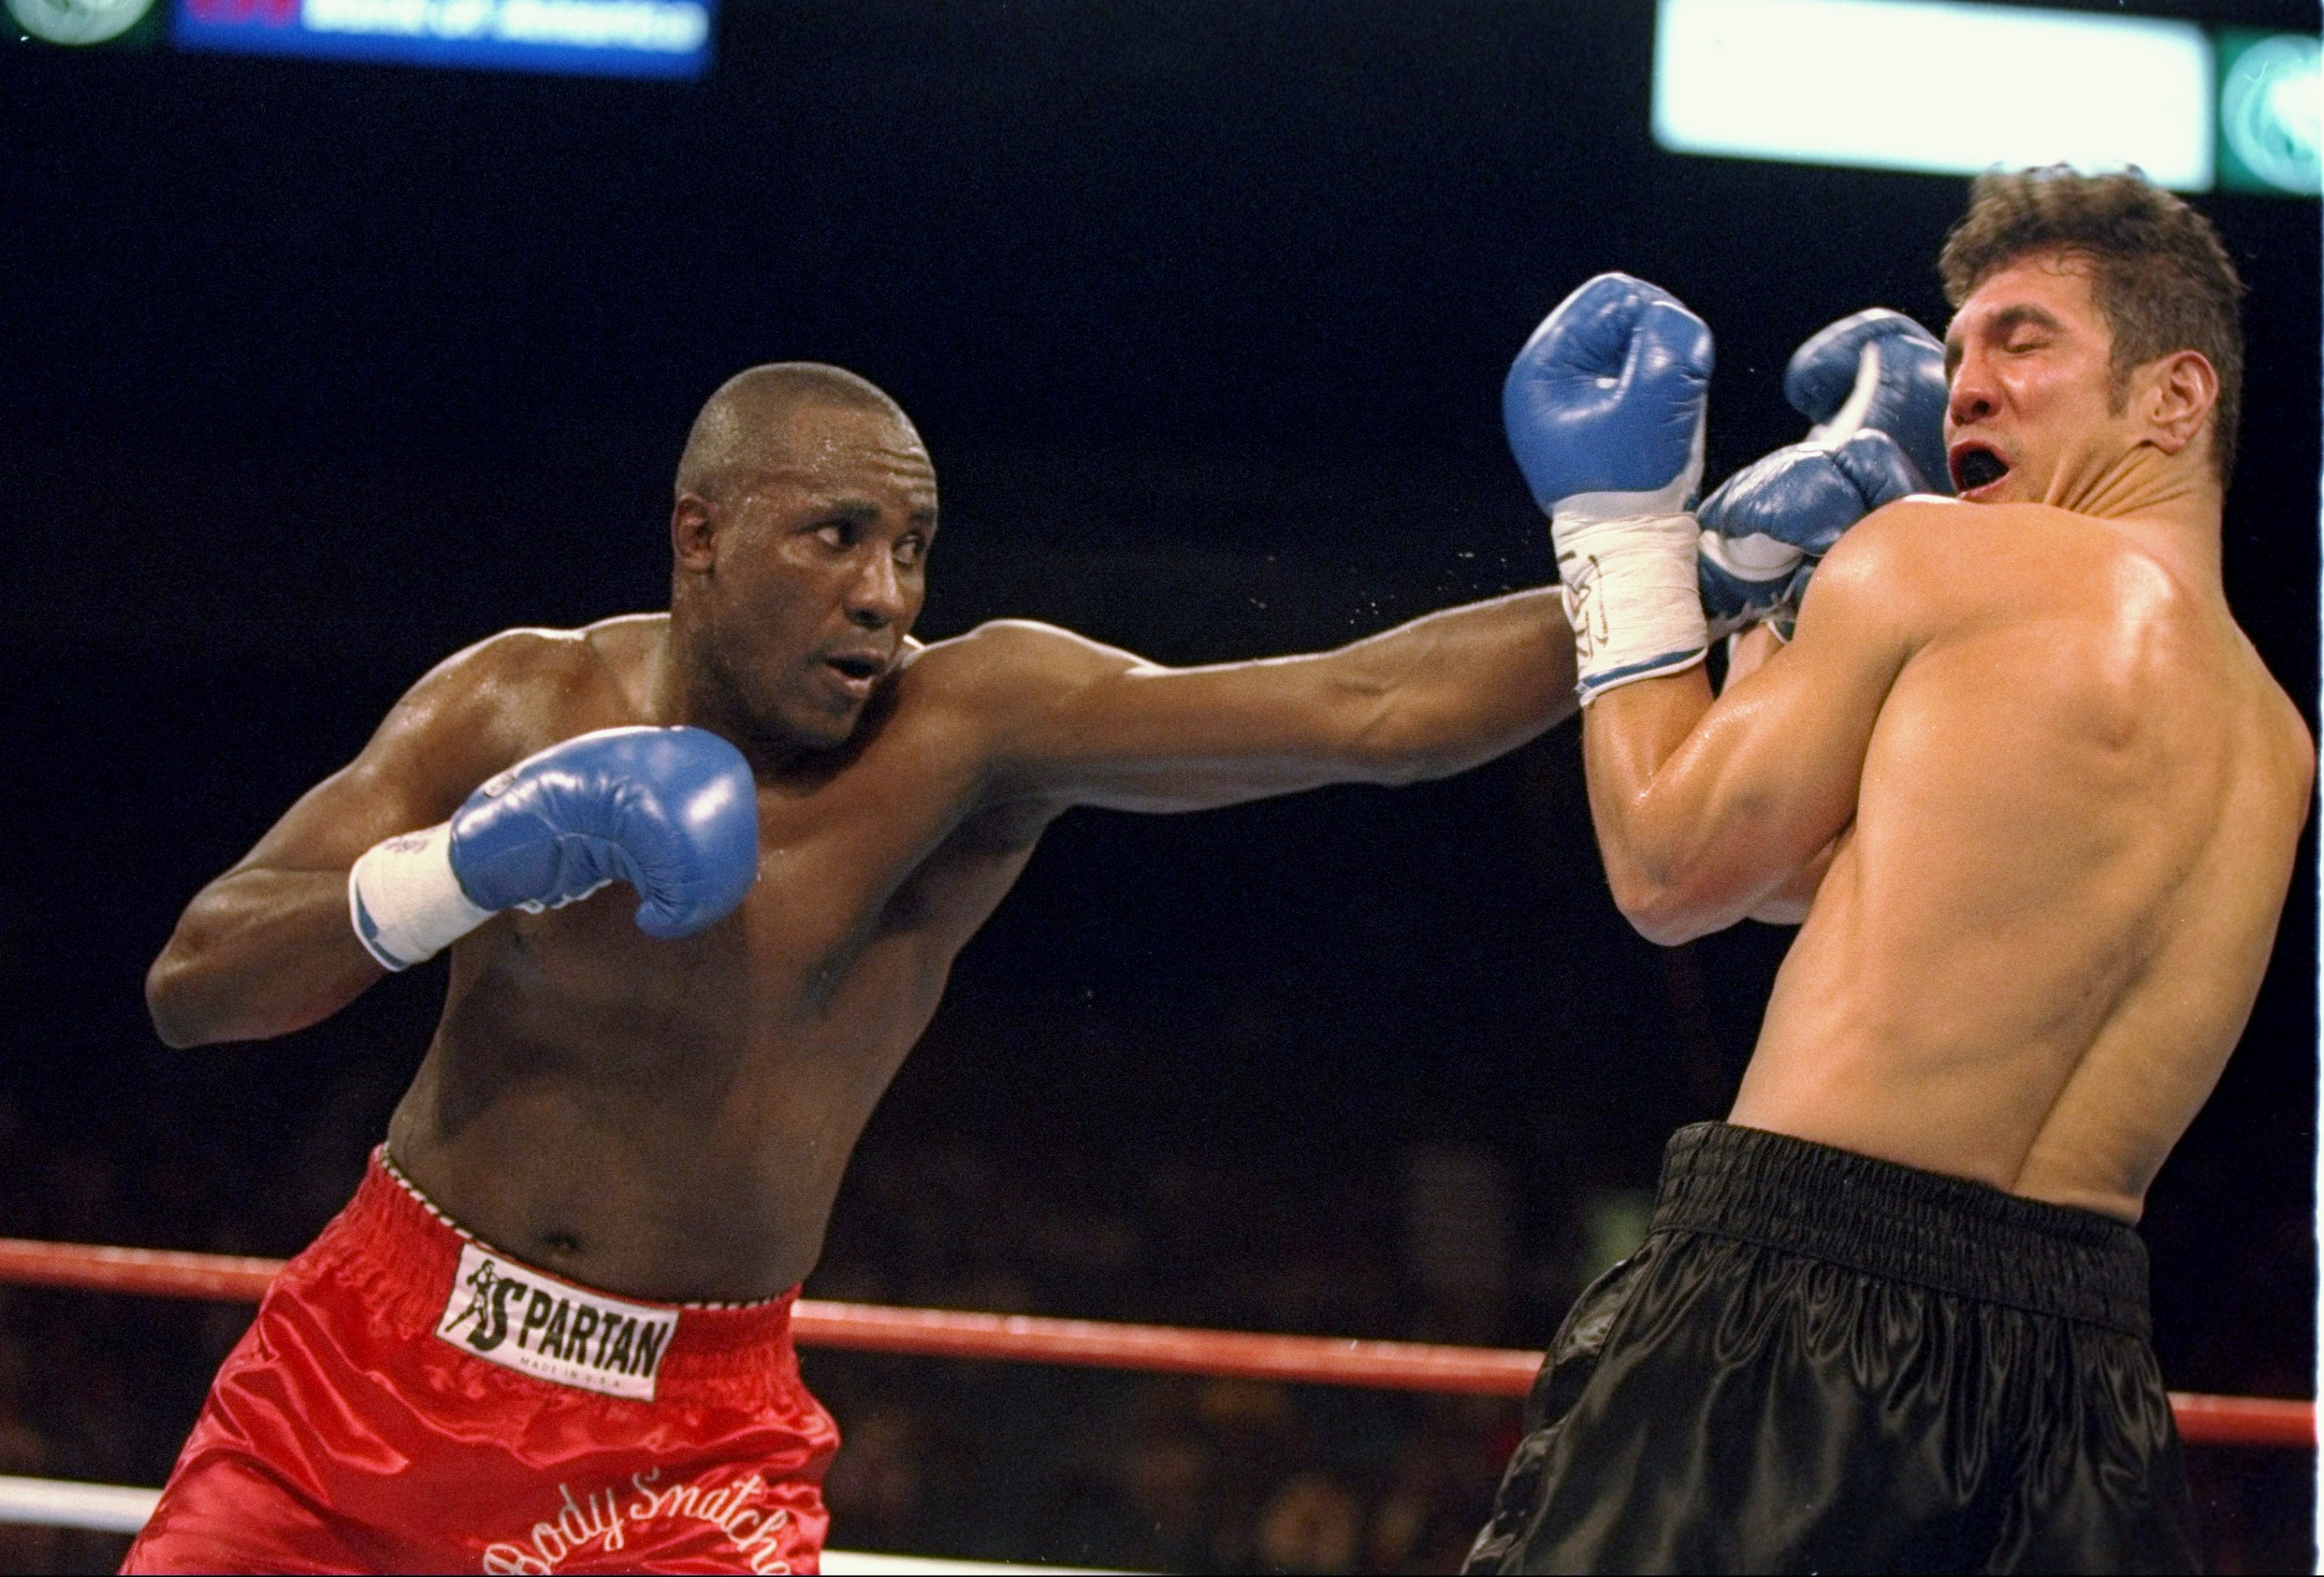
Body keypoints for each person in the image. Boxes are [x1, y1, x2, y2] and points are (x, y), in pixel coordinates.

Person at [128, 362, 1581, 1574]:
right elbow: (196, 983)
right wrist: (458, 869)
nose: (885, 594)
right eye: (835, 534)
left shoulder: (965, 732)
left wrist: (1661, 571)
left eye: (911, 546)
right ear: (698, 536)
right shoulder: (520, 701)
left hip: (677, 1459)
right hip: (363, 1373)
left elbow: (1370, 707)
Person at [1467, 168, 2313, 1575]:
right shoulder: (2276, 741)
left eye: (2023, 339)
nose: (1963, 383)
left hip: (1793, 1321)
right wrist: (1778, 634)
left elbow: (1674, 867)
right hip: (2088, 1395)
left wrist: (1630, 537)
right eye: (1961, 342)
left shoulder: (1934, 558)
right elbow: (1849, 885)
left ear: (2176, 399)